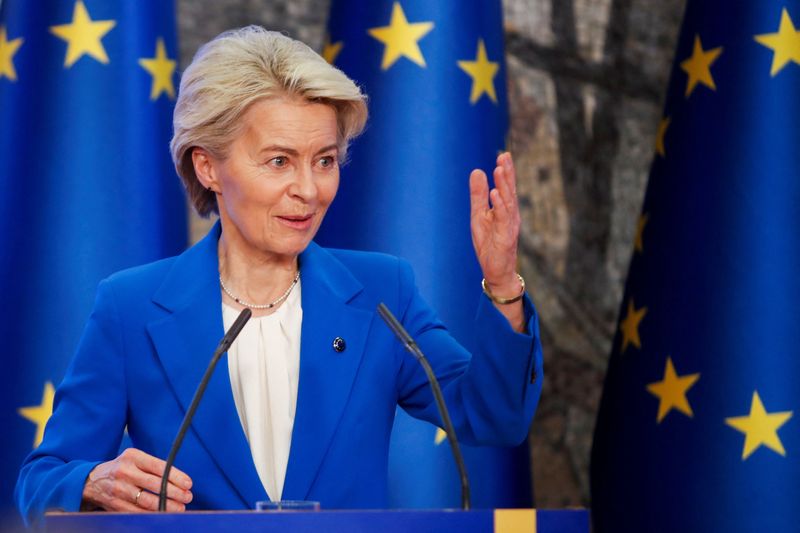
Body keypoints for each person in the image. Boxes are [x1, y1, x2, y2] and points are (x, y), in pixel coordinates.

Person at [15, 26, 543, 524]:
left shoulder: (382, 296)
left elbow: (494, 416)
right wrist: (92, 481)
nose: (309, 190)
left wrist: (501, 285)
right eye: (278, 161)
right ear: (208, 167)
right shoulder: (130, 307)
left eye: (324, 160)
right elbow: (40, 483)